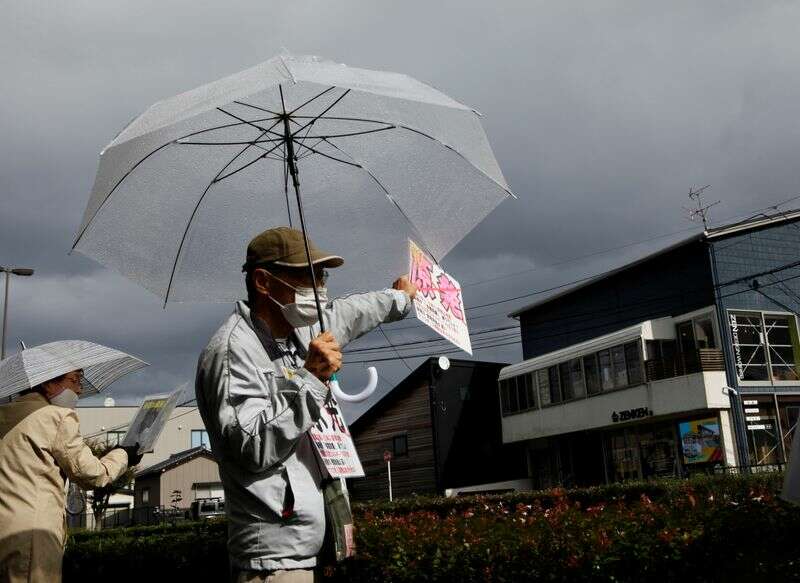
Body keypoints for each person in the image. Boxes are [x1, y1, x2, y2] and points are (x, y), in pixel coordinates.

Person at [195, 227, 417, 582]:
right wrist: (311, 379)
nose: (318, 288)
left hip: (310, 548)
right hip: (272, 560)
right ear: (263, 282)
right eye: (305, 276)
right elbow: (251, 446)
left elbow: (352, 312)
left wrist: (400, 299)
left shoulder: (301, 330)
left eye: (322, 275)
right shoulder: (231, 351)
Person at [0, 368, 142, 583]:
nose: (79, 388)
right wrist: (123, 455)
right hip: (33, 532)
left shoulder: (5, 413)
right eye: (75, 380)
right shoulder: (56, 416)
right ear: (48, 383)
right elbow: (91, 474)